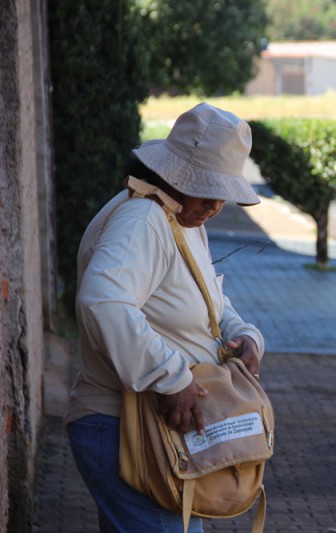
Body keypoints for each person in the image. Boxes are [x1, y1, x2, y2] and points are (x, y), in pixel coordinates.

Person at [64, 102, 266, 532]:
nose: (215, 205)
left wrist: (242, 334)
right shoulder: (143, 219)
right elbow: (103, 302)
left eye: (222, 194)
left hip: (146, 429)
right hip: (125, 427)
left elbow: (208, 296)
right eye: (206, 189)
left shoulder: (180, 218)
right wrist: (172, 377)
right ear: (174, 175)